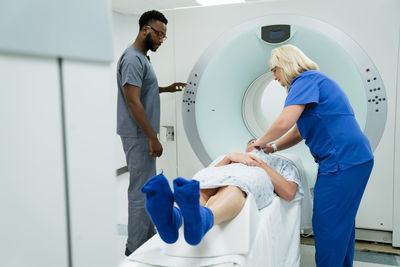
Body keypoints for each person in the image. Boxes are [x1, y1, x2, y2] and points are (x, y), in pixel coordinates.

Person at [249, 44, 374, 267]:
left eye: (273, 70)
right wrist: (273, 148)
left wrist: (258, 142)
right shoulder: (314, 82)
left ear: (284, 65)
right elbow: (298, 130)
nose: (275, 77)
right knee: (341, 223)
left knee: (328, 224)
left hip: (342, 160)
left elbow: (284, 122)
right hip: (353, 158)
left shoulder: (305, 81)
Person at [141, 140, 303, 246]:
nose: (255, 144)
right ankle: (173, 219)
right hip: (220, 174)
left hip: (251, 176)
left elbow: (289, 193)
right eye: (252, 142)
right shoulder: (228, 157)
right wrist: (230, 158)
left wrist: (259, 164)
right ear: (245, 147)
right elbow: (210, 174)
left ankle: (204, 219)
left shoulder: (281, 163)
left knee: (233, 186)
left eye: (260, 142)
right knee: (201, 186)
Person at [116, 10, 186, 256]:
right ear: (145, 30)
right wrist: (152, 137)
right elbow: (133, 101)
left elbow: (144, 89)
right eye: (159, 34)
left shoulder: (143, 59)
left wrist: (166, 89)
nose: (161, 40)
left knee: (146, 188)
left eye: (164, 36)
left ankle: (146, 239)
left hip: (141, 133)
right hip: (138, 135)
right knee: (139, 192)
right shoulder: (133, 58)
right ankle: (134, 248)